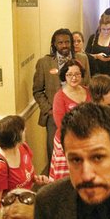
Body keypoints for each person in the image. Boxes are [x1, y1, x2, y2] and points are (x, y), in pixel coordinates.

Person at [33, 28, 91, 174]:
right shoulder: (44, 63)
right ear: (54, 44)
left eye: (67, 42)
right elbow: (37, 91)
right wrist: (49, 109)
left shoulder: (82, 59)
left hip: (81, 117)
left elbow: (87, 83)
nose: (64, 45)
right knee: (55, 153)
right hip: (55, 117)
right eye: (60, 43)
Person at [0, 115, 48, 219]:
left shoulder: (23, 148)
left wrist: (36, 179)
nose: (25, 131)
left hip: (20, 211)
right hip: (3, 218)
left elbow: (25, 175)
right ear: (16, 136)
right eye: (23, 130)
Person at [49, 59, 91, 180]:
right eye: (70, 74)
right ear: (64, 76)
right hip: (66, 141)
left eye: (77, 74)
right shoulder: (59, 96)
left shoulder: (88, 91)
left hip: (87, 139)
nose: (74, 78)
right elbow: (61, 124)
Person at [85, 14, 110, 92]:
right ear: (100, 27)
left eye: (108, 29)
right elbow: (86, 55)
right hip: (96, 72)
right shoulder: (93, 38)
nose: (106, 32)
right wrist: (97, 56)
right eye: (104, 29)